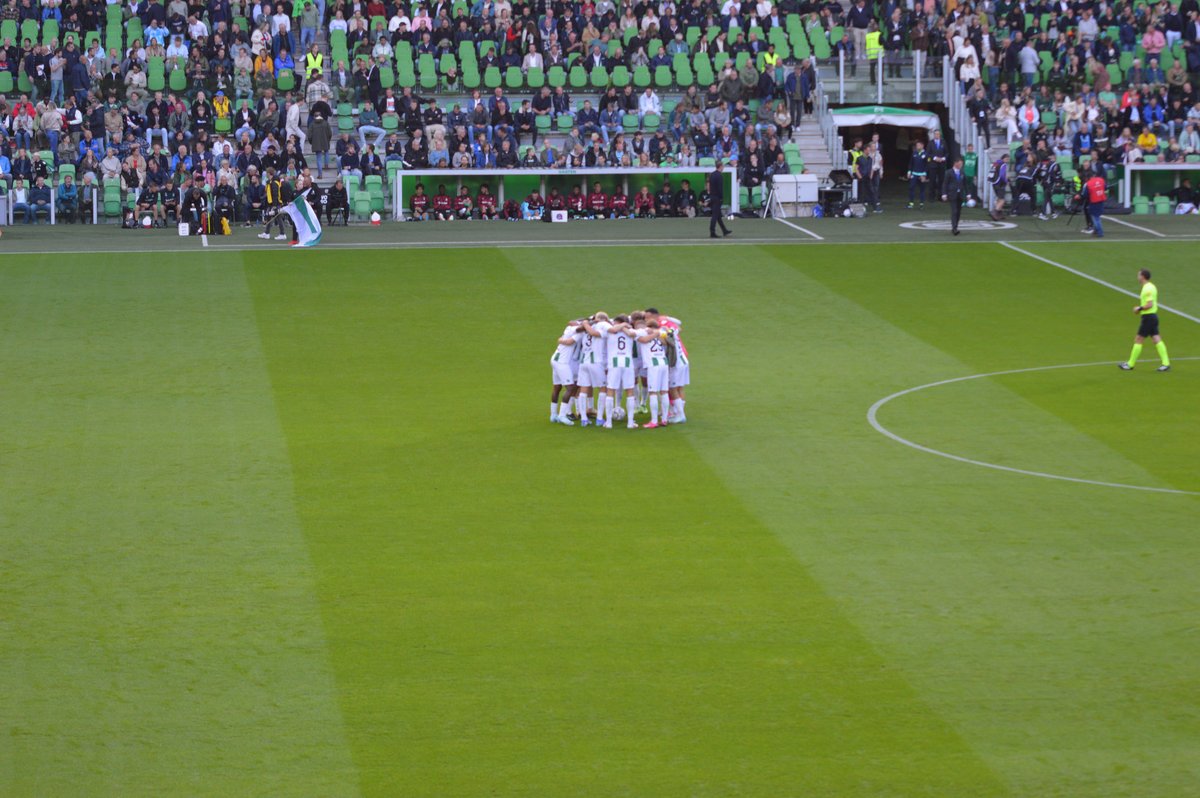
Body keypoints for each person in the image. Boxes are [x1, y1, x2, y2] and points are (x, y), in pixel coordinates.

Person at [1119, 269, 1171, 372]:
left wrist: (1139, 308)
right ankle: (1166, 364)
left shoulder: (1147, 288)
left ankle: (1130, 364)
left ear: (1143, 276)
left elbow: (1150, 304)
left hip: (1148, 318)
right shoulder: (1150, 286)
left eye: (1138, 275)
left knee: (1138, 339)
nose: (1137, 277)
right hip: (1152, 317)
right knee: (1156, 339)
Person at [576, 313, 611, 427]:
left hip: (584, 363)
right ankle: (600, 418)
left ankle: (584, 419)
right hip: (596, 362)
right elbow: (595, 334)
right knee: (603, 389)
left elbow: (577, 326)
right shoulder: (600, 326)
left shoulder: (585, 329)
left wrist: (586, 324)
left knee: (583, 389)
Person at [604, 316, 639, 430]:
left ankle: (608, 422)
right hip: (628, 363)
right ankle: (630, 423)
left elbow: (614, 329)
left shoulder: (610, 331)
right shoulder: (631, 331)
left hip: (614, 363)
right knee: (630, 391)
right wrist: (625, 326)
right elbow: (631, 334)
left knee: (610, 390)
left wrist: (621, 325)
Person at [636, 318, 671, 428]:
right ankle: (665, 419)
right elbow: (666, 341)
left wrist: (653, 333)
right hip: (663, 363)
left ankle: (654, 421)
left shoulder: (646, 335)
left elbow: (643, 340)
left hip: (653, 365)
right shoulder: (660, 335)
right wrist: (657, 333)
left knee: (653, 392)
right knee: (664, 391)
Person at [550, 319, 583, 425]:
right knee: (570, 387)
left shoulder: (569, 328)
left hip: (554, 359)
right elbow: (570, 342)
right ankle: (562, 415)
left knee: (557, 387)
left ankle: (553, 414)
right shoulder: (579, 333)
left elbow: (571, 322)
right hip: (562, 362)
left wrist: (560, 340)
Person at [942, 156, 967, 235]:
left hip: (960, 194)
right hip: (952, 194)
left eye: (961, 164)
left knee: (958, 212)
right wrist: (944, 194)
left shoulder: (962, 172)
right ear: (955, 163)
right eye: (960, 164)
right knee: (954, 211)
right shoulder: (948, 172)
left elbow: (965, 184)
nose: (961, 165)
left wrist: (968, 193)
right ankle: (954, 228)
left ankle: (956, 225)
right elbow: (945, 184)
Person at [708, 160, 731, 238]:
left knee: (718, 216)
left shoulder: (712, 175)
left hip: (712, 197)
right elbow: (720, 188)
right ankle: (712, 232)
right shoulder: (719, 176)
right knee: (715, 216)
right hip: (717, 198)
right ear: (720, 166)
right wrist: (721, 198)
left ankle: (724, 230)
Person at [1083, 166, 1107, 237]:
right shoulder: (1101, 180)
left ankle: (1100, 232)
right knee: (1097, 217)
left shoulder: (1088, 184)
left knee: (1095, 218)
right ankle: (1096, 230)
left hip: (1094, 201)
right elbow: (1105, 187)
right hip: (1101, 200)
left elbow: (1085, 194)